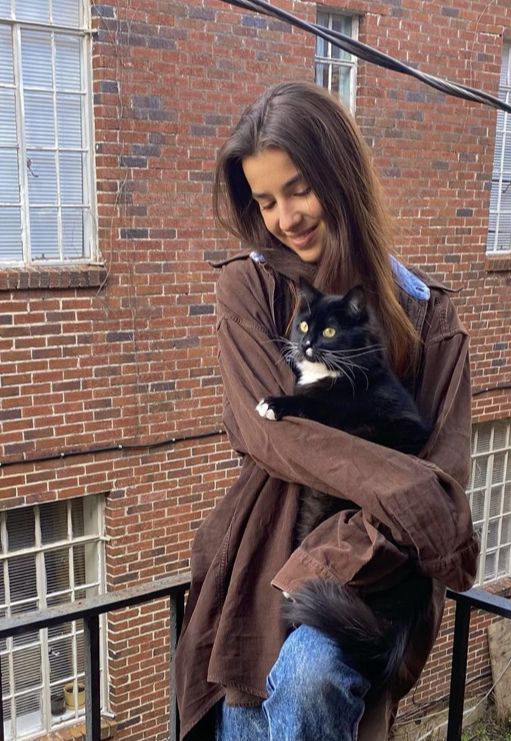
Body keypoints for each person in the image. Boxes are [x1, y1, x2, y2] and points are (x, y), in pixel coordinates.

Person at [174, 80, 479, 741]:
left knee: (313, 672)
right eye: (265, 200)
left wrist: (410, 504)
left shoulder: (427, 314)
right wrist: (406, 486)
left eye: (299, 188)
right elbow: (271, 430)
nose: (285, 216)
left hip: (369, 579)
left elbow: (446, 466)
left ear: (339, 175)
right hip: (257, 584)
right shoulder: (250, 285)